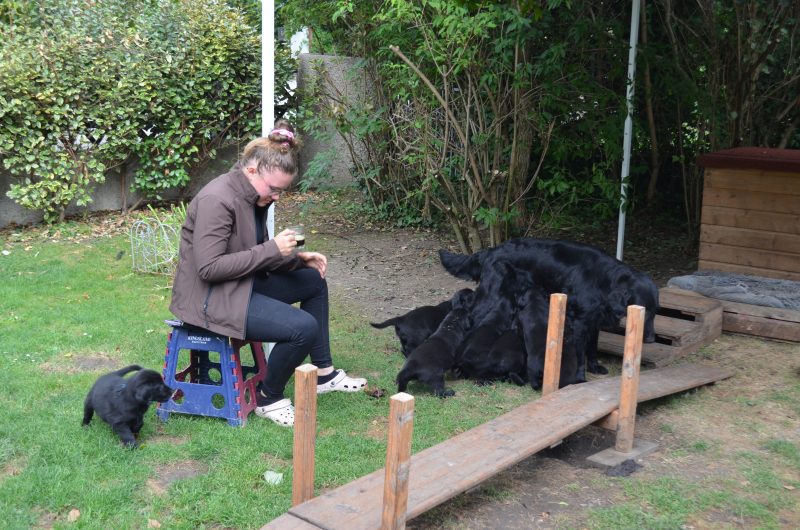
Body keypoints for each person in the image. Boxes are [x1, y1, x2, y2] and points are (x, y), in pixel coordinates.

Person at [169, 121, 366, 427]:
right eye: (274, 189)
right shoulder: (217, 200)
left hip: (240, 286)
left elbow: (253, 254)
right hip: (211, 300)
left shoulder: (252, 197)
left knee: (313, 281)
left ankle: (323, 374)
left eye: (281, 191)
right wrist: (273, 249)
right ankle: (268, 398)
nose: (276, 197)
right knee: (302, 328)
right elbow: (209, 268)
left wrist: (295, 260)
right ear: (252, 170)